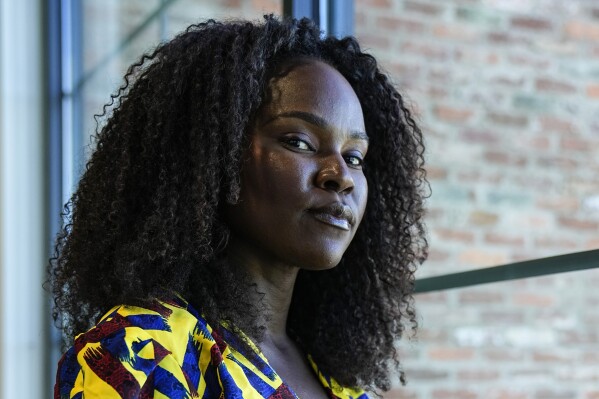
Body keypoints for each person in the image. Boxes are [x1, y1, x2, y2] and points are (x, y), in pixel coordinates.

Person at [49, 15, 427, 399]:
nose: (340, 175)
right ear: (214, 156)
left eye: (355, 157)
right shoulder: (141, 353)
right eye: (299, 142)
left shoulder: (338, 380)